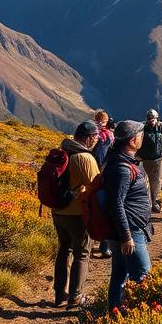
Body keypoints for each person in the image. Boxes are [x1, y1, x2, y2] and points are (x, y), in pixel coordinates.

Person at [52, 121, 101, 308]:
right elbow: (97, 185)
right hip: (77, 212)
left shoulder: (62, 151)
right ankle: (76, 296)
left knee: (63, 249)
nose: (97, 141)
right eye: (95, 137)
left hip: (58, 211)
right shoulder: (84, 158)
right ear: (88, 138)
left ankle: (59, 294)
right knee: (82, 253)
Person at [103, 120, 151, 310]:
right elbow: (116, 203)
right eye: (141, 135)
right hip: (130, 232)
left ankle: (113, 314)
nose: (143, 138)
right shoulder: (122, 168)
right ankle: (142, 318)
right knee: (143, 277)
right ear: (132, 140)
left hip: (127, 231)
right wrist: (126, 236)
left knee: (119, 275)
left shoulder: (120, 162)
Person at [135, 109, 162, 214]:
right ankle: (148, 204)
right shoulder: (143, 127)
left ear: (157, 119)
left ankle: (155, 203)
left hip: (158, 159)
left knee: (157, 182)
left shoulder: (161, 126)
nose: (150, 122)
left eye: (152, 120)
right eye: (149, 120)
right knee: (146, 182)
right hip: (146, 159)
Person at [90, 110, 115, 259]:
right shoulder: (110, 135)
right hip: (105, 176)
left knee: (91, 208)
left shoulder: (91, 134)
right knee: (105, 210)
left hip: (90, 175)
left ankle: (89, 241)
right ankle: (104, 246)